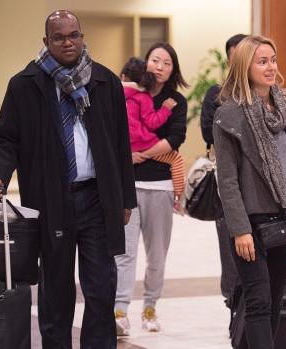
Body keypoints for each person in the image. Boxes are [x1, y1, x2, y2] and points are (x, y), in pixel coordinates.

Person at [0, 10, 136, 348]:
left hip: (97, 198)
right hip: (52, 200)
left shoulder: (103, 81)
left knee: (100, 285)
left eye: (73, 35)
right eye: (59, 37)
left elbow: (120, 143)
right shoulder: (25, 85)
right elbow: (6, 139)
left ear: (82, 36)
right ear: (46, 42)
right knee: (55, 288)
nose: (68, 42)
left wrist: (126, 198)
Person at [213, 35, 286, 349]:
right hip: (249, 225)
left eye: (273, 60)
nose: (271, 67)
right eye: (262, 61)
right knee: (258, 301)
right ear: (243, 66)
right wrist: (239, 230)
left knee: (275, 301)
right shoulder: (229, 115)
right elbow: (228, 181)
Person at [114, 42, 188, 335]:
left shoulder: (176, 102)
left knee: (156, 255)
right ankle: (120, 311)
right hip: (128, 187)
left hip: (160, 186)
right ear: (145, 63)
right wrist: (126, 154)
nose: (159, 66)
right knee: (124, 253)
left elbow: (176, 137)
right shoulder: (127, 94)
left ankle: (150, 308)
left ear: (173, 70)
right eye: (155, 60)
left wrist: (142, 154)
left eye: (166, 62)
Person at [200, 33, 247, 307]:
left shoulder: (269, 96)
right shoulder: (216, 96)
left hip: (265, 189)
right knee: (231, 250)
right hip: (228, 182)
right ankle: (233, 309)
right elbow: (209, 132)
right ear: (230, 62)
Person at [120, 57, 185, 214]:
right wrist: (165, 109)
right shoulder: (143, 96)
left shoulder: (115, 93)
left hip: (124, 145)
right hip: (143, 142)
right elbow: (152, 122)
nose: (160, 67)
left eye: (166, 63)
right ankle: (178, 198)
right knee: (176, 159)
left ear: (123, 77)